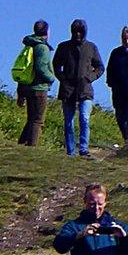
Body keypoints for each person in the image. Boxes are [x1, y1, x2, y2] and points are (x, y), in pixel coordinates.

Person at [53, 19, 105, 156]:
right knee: (68, 122)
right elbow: (56, 65)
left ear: (84, 32)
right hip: (68, 89)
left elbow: (100, 67)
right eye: (75, 31)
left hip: (85, 89)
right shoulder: (63, 47)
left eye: (80, 32)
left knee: (84, 118)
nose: (77, 34)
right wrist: (63, 79)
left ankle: (83, 149)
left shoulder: (91, 47)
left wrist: (89, 78)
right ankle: (70, 151)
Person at [16, 20, 55, 147]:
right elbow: (41, 68)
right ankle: (31, 146)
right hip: (39, 87)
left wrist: (20, 92)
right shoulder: (42, 48)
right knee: (38, 119)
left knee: (31, 118)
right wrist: (51, 78)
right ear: (46, 31)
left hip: (26, 85)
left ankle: (22, 143)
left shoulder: (29, 45)